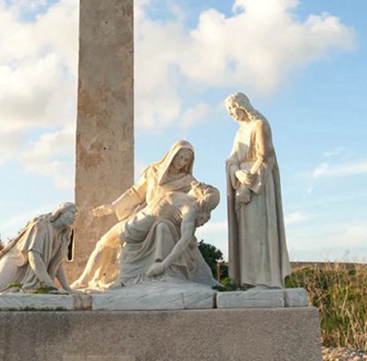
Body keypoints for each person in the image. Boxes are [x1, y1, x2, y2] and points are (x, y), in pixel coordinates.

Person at [72, 140, 197, 289]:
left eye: (186, 160)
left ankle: (115, 279)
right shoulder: (154, 172)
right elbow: (136, 193)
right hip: (143, 215)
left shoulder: (188, 182)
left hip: (165, 222)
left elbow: (193, 205)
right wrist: (112, 207)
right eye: (181, 157)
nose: (182, 162)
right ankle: (86, 279)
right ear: (172, 154)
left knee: (114, 240)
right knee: (105, 241)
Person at [225, 92, 291, 288]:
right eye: (228, 111)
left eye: (232, 109)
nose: (231, 114)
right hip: (242, 183)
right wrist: (237, 174)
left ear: (242, 106)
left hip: (258, 187)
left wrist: (247, 186)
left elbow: (265, 157)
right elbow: (232, 160)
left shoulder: (259, 125)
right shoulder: (239, 133)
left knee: (259, 231)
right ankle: (249, 282)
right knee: (246, 235)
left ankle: (265, 281)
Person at [110, 180, 220, 288]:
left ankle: (123, 279)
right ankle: (120, 279)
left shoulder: (188, 208)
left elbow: (185, 240)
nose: (203, 183)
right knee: (106, 244)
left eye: (207, 187)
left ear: (203, 197)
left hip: (139, 228)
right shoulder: (183, 197)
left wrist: (163, 265)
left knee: (163, 228)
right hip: (136, 223)